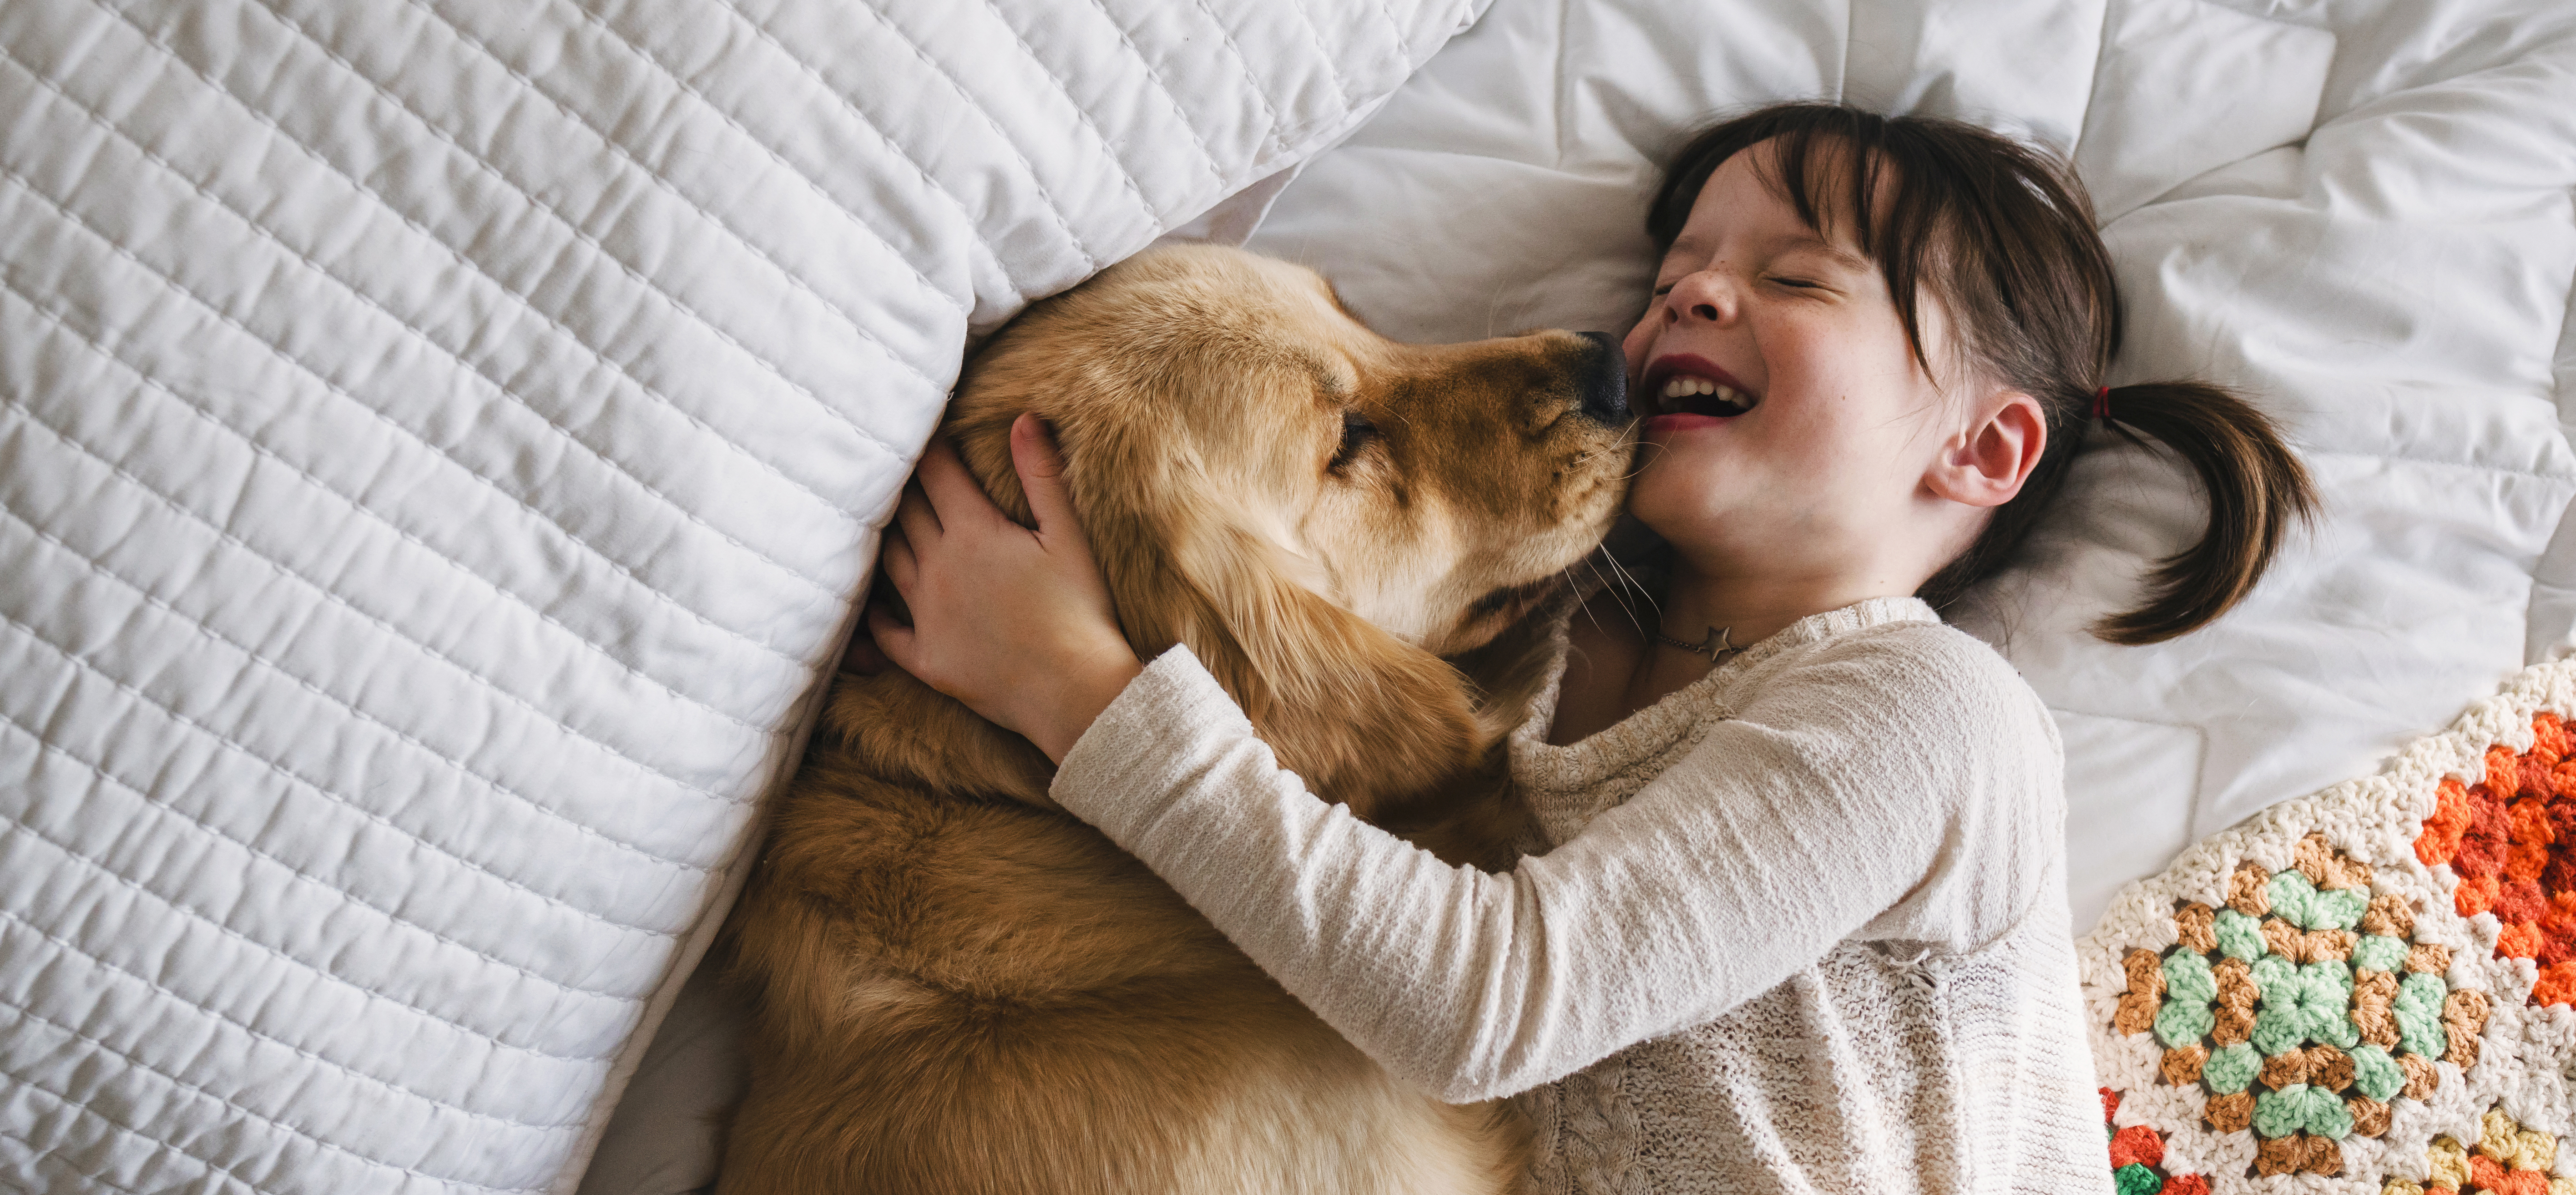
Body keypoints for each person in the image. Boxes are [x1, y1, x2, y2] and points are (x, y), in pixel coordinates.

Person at [860, 101, 2315, 1192]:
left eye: (1795, 278)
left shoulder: (1924, 710)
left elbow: (1493, 1002)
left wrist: (1078, 690)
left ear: (1983, 448)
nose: (1687, 294)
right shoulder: (1555, 660)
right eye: (1679, 265)